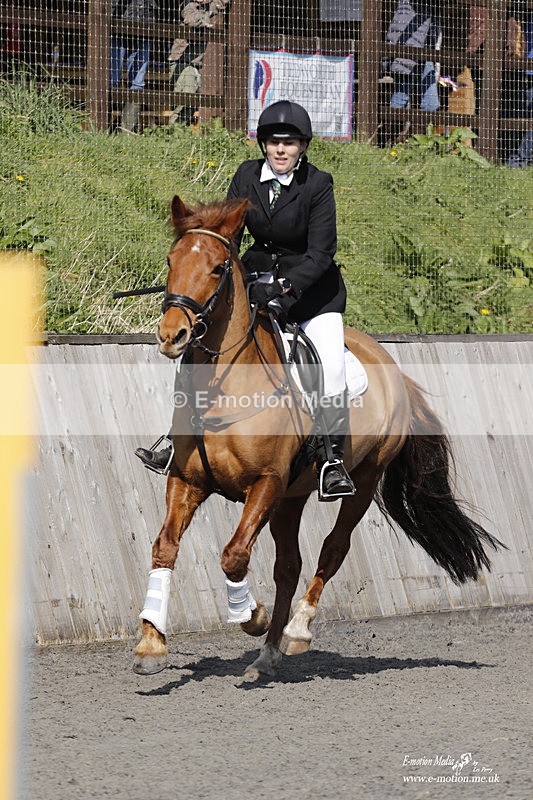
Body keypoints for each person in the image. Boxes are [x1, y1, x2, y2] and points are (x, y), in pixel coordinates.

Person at [136, 100, 355, 500]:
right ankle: (176, 439)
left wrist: (284, 285)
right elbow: (228, 235)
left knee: (331, 361)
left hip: (312, 296)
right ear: (264, 146)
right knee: (202, 340)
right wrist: (212, 274)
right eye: (273, 143)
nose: (281, 151)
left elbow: (321, 254)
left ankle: (331, 459)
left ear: (303, 146)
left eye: (289, 144)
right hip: (254, 283)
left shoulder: (318, 184)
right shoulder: (246, 175)